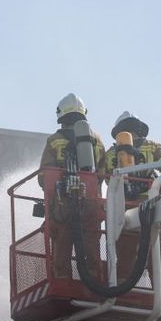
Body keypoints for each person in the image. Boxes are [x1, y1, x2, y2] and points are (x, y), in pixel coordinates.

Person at [105, 111, 161, 287]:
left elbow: (105, 177)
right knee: (158, 253)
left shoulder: (112, 153)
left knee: (125, 253)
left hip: (125, 210)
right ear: (140, 129)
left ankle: (121, 291)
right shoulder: (153, 147)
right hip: (153, 210)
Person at [40, 94, 105, 281]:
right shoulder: (97, 141)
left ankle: (62, 282)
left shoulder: (54, 140)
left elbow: (43, 176)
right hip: (91, 204)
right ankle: (94, 283)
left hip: (63, 205)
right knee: (91, 247)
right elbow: (105, 173)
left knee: (62, 248)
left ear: (61, 116)